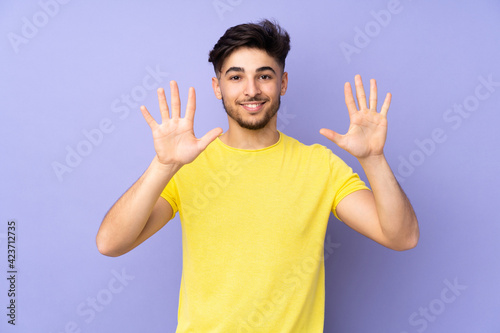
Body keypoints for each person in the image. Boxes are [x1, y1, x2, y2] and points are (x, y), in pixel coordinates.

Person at [96, 19, 419, 332]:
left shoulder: (320, 166)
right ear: (217, 86)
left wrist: (374, 159)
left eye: (264, 76)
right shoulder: (189, 166)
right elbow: (110, 244)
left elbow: (401, 237)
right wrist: (164, 165)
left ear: (283, 83)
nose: (251, 90)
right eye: (236, 78)